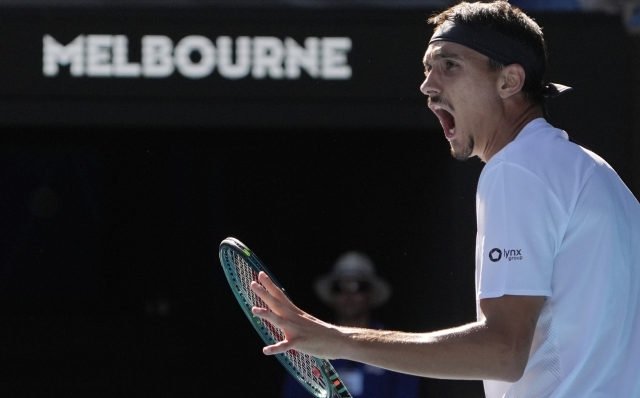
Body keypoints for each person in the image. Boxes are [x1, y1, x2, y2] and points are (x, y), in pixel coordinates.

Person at [250, 1, 640, 397]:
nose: (428, 85)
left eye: (450, 65)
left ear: (509, 81)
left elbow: (504, 351)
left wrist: (338, 340)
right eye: (427, 68)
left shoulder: (517, 168)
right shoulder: (595, 174)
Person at [281, 251, 420, 398]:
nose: (348, 295)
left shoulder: (394, 345)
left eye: (357, 286)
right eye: (339, 287)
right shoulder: (310, 345)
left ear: (371, 294)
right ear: (332, 295)